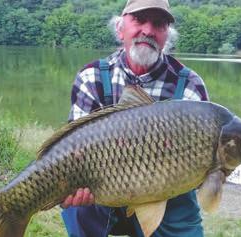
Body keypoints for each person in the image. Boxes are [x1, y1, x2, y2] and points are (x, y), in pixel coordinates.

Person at [61, 0, 209, 236]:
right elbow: (72, 148)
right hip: (102, 190)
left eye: (158, 24)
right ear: (121, 29)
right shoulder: (92, 77)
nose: (148, 31)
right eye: (139, 20)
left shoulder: (190, 85)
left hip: (168, 196)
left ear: (166, 36)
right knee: (79, 208)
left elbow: (201, 172)